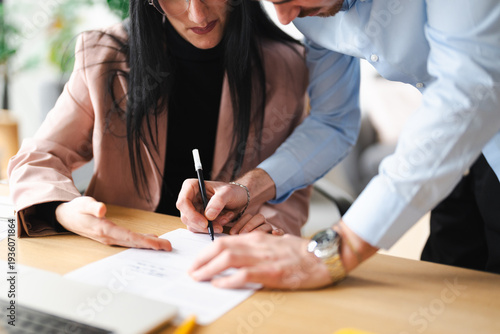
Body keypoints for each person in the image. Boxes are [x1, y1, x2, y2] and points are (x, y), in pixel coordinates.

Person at [178, 0, 500, 289]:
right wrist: (249, 188)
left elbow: (469, 92)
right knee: (446, 290)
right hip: (448, 151)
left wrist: (332, 252)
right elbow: (333, 120)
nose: (285, 18)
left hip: (472, 130)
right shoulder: (307, 10)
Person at [7, 0, 311, 249]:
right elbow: (39, 158)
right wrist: (63, 210)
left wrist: (270, 228)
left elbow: (290, 187)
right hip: (118, 252)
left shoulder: (288, 66)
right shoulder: (103, 56)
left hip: (227, 259)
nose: (198, 13)